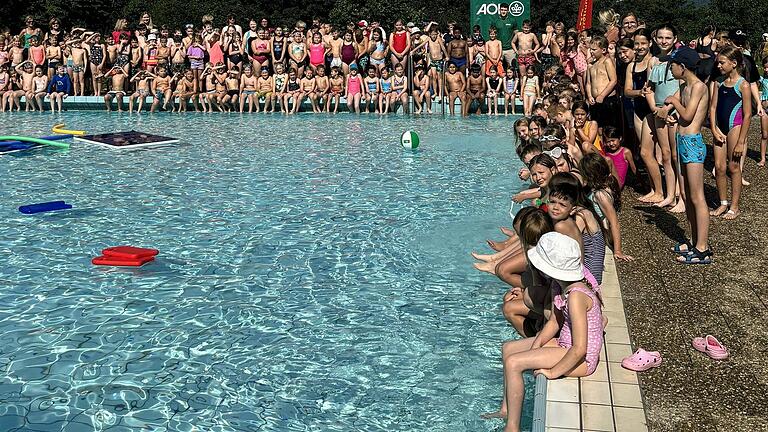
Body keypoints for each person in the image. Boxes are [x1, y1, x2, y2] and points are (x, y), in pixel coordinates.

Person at [481, 232, 604, 432]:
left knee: (514, 363)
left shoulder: (576, 296)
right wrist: (536, 345)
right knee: (508, 349)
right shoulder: (560, 285)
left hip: (582, 359)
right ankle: (506, 408)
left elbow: (580, 348)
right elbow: (555, 321)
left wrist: (553, 372)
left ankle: (512, 427)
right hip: (565, 344)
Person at [663, 47, 712, 264]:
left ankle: (703, 247)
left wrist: (673, 103)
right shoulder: (685, 86)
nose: (670, 68)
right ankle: (694, 241)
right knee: (686, 194)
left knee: (697, 196)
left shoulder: (699, 86)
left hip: (693, 143)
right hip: (682, 140)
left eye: (672, 65)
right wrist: (675, 119)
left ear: (683, 67)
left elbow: (689, 114)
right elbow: (685, 118)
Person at [709, 45, 752, 220]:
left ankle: (735, 206)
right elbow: (712, 107)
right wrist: (713, 127)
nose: (719, 66)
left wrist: (741, 141)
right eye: (718, 63)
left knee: (733, 167)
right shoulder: (718, 82)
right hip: (720, 128)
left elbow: (748, 114)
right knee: (719, 167)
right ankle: (723, 203)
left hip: (735, 127)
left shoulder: (743, 85)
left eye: (722, 63)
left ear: (734, 63)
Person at [645, 24, 681, 211]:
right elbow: (649, 88)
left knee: (676, 155)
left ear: (675, 39)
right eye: (660, 37)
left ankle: (681, 196)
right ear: (655, 38)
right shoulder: (653, 61)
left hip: (675, 112)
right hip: (658, 111)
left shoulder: (679, 58)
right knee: (665, 154)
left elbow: (683, 88)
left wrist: (668, 108)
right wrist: (654, 108)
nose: (664, 41)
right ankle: (669, 194)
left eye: (668, 38)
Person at [579, 153, 633, 261]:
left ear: (590, 175)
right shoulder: (606, 183)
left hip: (602, 234)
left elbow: (614, 222)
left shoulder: (600, 195)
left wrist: (618, 251)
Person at [586, 35, 619, 129]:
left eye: (594, 49)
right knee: (597, 126)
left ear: (603, 50)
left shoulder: (607, 61)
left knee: (609, 127)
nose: (591, 51)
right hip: (594, 101)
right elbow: (588, 83)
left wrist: (602, 95)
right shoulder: (591, 65)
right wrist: (589, 96)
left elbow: (613, 80)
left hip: (607, 99)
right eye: (590, 49)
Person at [490, 3, 518, 70]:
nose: (503, 11)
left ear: (508, 11)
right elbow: (492, 34)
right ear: (499, 10)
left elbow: (516, 34)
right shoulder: (495, 21)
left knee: (513, 69)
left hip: (510, 49)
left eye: (505, 10)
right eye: (502, 10)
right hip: (498, 49)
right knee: (497, 69)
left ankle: (515, 80)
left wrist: (516, 46)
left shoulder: (512, 20)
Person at [759, 57, 768, 167]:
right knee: (764, 135)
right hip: (764, 109)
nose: (766, 70)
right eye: (765, 67)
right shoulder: (762, 79)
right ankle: (762, 158)